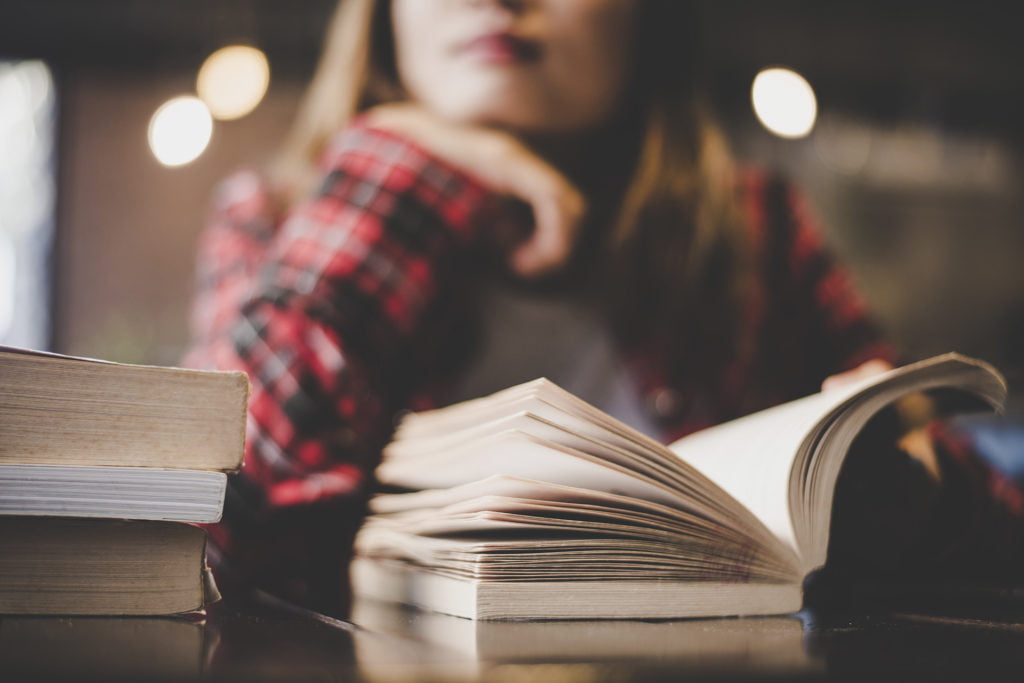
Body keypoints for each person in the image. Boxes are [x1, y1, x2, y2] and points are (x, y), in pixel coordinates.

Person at [185, 0, 1024, 615]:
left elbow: (991, 526)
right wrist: (401, 176)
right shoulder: (273, 219)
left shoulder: (756, 232)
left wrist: (909, 487)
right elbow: (226, 516)